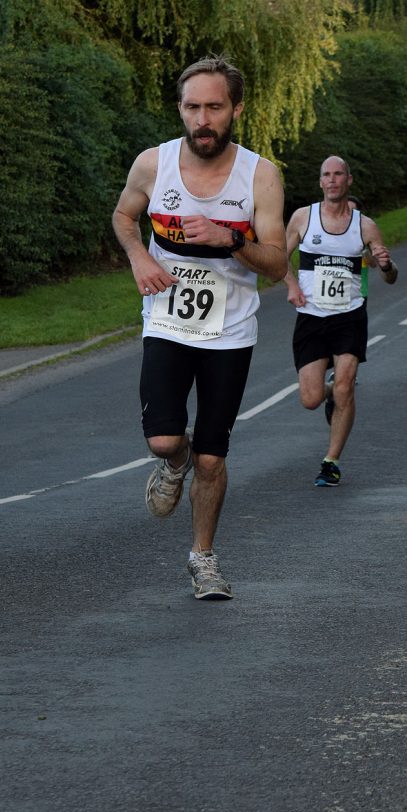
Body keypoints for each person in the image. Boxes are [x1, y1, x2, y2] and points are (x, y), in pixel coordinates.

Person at [112, 55, 287, 600]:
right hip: (166, 320)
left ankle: (203, 559)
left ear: (235, 109)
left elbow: (278, 264)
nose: (203, 119)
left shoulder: (259, 175)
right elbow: (123, 217)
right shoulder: (152, 164)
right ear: (181, 109)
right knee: (165, 437)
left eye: (215, 107)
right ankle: (174, 462)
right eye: (193, 107)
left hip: (229, 332)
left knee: (214, 455)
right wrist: (141, 257)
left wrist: (230, 239)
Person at [284, 156, 397, 487]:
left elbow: (389, 275)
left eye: (338, 175)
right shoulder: (303, 218)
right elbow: (279, 257)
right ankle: (330, 391)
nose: (332, 180)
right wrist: (292, 285)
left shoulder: (366, 226)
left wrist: (386, 266)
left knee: (347, 385)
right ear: (320, 182)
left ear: (349, 180)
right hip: (311, 317)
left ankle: (330, 461)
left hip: (349, 315)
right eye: (326, 175)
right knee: (310, 399)